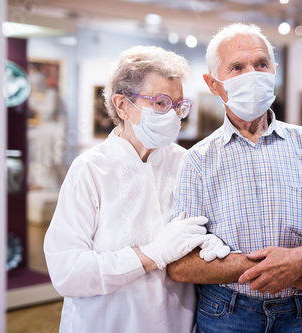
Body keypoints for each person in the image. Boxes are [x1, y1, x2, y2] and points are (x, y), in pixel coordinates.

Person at [168, 23, 302, 332]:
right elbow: (181, 264)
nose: (252, 74)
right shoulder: (197, 160)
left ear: (274, 70)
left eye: (261, 64)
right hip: (228, 313)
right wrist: (284, 269)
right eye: (237, 67)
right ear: (214, 84)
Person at [44, 45, 229, 333]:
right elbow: (68, 273)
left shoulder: (186, 164)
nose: (173, 115)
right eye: (160, 102)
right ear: (122, 105)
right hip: (105, 323)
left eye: (179, 105)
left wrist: (212, 245)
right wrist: (151, 254)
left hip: (175, 322)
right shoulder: (91, 170)